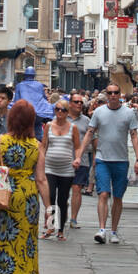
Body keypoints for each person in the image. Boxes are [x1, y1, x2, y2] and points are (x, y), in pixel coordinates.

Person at [0, 99, 49, 274]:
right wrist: (49, 207)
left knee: (1, 244)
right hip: (27, 198)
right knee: (26, 246)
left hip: (3, 195)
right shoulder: (36, 145)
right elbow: (41, 179)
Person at [75, 83, 138, 244]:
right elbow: (89, 133)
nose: (113, 95)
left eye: (116, 92)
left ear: (120, 94)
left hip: (121, 160)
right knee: (103, 194)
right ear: (107, 95)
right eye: (110, 93)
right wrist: (79, 154)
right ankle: (102, 229)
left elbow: (133, 135)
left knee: (118, 197)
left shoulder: (128, 113)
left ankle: (114, 230)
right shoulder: (99, 112)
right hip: (102, 159)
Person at [39, 98, 79, 240]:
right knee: (50, 198)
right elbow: (43, 145)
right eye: (57, 109)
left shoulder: (73, 128)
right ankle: (50, 228)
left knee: (62, 199)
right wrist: (41, 160)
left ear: (68, 112)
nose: (60, 112)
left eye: (63, 110)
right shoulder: (49, 125)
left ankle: (60, 230)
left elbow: (78, 146)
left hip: (67, 169)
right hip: (50, 167)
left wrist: (77, 158)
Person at [68, 95, 95, 228]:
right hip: (63, 160)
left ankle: (73, 218)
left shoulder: (86, 121)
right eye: (76, 102)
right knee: (61, 191)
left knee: (77, 188)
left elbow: (93, 139)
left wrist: (95, 157)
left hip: (81, 160)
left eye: (81, 102)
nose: (79, 104)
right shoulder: (60, 117)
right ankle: (59, 216)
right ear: (70, 103)